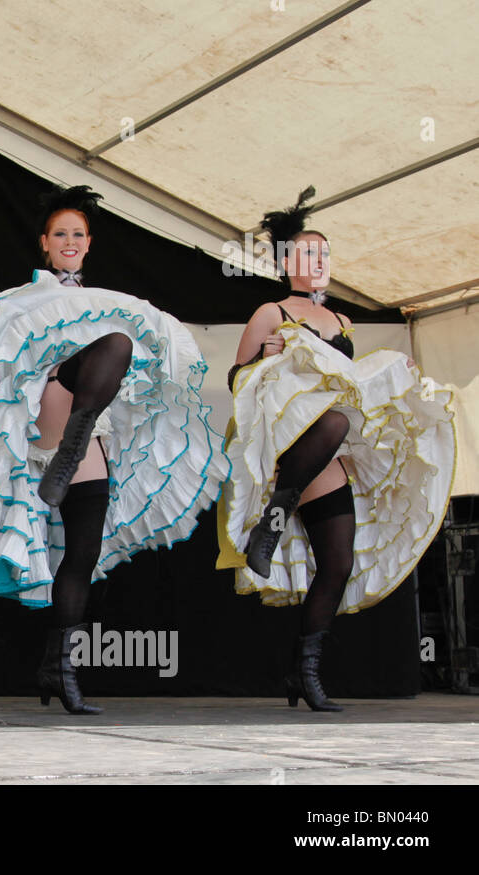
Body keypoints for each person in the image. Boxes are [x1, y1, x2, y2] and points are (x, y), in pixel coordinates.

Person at [0, 185, 225, 714]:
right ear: (44, 244)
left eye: (78, 234)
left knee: (83, 555)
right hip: (38, 426)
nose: (69, 241)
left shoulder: (106, 306)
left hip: (87, 437)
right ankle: (69, 445)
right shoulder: (16, 298)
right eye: (60, 234)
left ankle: (60, 670)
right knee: (113, 342)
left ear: (89, 244)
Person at [218, 187, 455, 711]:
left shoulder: (344, 323)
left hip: (330, 451)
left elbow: (352, 383)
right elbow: (237, 378)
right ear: (287, 263)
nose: (319, 261)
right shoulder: (271, 310)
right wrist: (265, 353)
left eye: (325, 253)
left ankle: (304, 673)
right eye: (308, 253)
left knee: (339, 561)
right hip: (290, 441)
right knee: (334, 419)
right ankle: (272, 517)